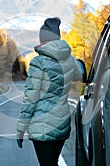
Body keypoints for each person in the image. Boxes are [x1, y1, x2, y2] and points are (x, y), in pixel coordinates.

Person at [16, 17, 82, 166]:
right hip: (62, 125)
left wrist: (21, 128)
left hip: (42, 127)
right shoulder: (70, 59)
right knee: (52, 162)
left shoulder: (38, 63)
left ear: (43, 39)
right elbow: (80, 76)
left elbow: (30, 99)